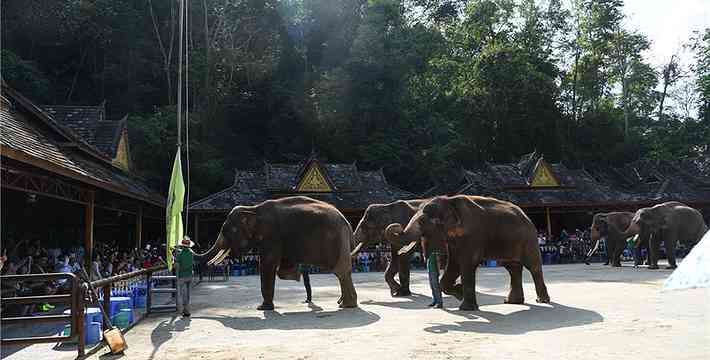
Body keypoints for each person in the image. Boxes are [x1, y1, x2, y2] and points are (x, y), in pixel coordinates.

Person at [174, 236, 196, 317]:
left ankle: (185, 310)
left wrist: (175, 259)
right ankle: (187, 309)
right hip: (190, 275)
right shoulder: (191, 253)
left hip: (182, 276)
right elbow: (193, 263)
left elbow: (176, 265)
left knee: (183, 294)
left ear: (182, 245)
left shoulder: (179, 254)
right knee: (188, 294)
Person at [423, 239, 443, 309]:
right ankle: (435, 300)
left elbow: (438, 262)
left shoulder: (435, 251)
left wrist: (438, 270)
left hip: (434, 270)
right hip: (430, 270)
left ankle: (439, 302)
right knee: (432, 286)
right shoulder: (428, 252)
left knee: (436, 286)